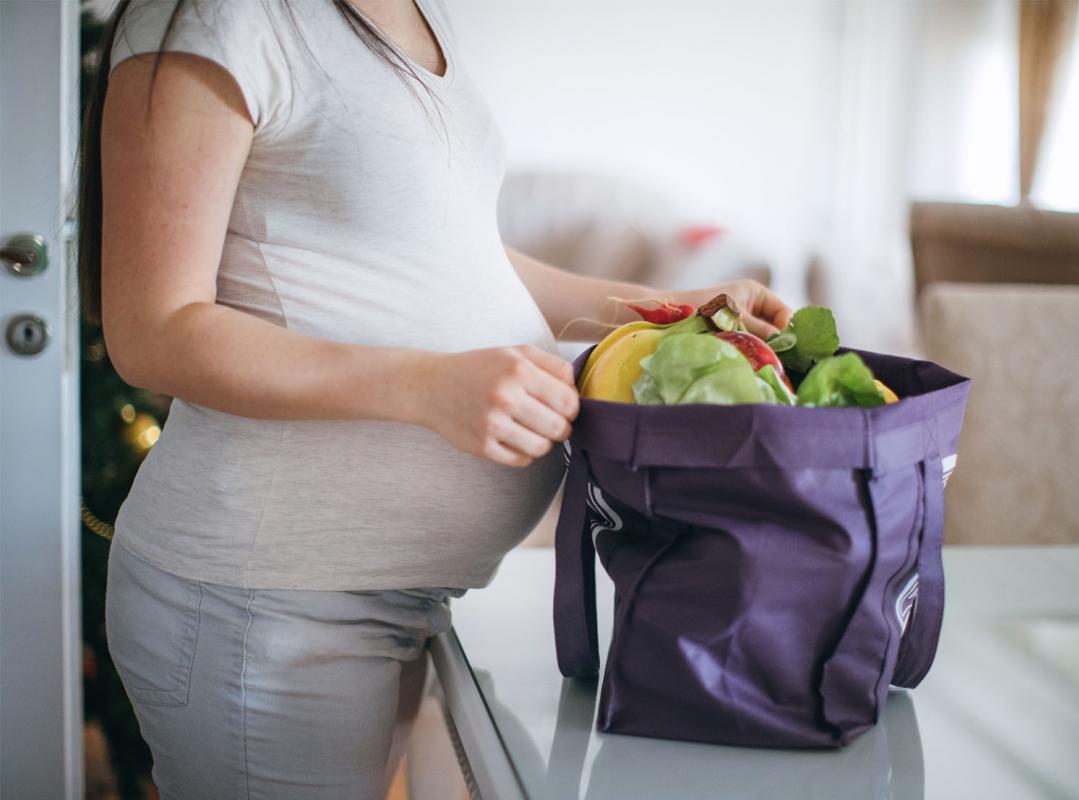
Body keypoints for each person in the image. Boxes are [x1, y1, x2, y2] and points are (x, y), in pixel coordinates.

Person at [78, 1, 792, 797]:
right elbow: (152, 330)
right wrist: (423, 385)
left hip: (397, 598)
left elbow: (466, 259)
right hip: (267, 605)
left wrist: (670, 310)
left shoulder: (422, 13)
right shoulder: (225, 16)